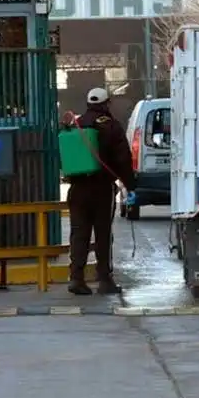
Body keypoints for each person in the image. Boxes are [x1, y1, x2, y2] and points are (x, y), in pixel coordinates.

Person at [61, 87, 136, 295]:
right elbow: (123, 159)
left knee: (79, 234)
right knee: (103, 234)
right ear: (106, 103)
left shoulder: (75, 124)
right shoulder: (112, 126)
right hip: (102, 189)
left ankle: (76, 279)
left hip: (77, 189)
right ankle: (104, 280)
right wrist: (131, 186)